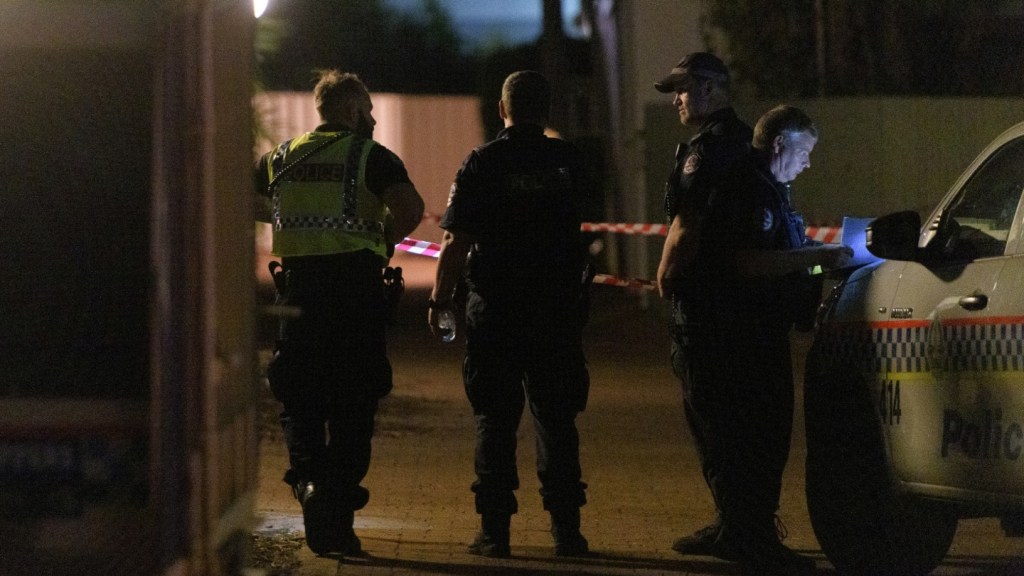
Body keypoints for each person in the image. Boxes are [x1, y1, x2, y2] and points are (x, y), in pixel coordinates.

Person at [665, 104, 853, 575]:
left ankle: (736, 529)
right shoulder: (751, 191)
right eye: (805, 152)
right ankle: (752, 539)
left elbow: (776, 254)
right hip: (734, 339)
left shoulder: (768, 189)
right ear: (780, 145)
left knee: (737, 441)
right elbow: (747, 262)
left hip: (745, 336)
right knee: (752, 440)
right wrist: (816, 256)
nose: (808, 163)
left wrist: (813, 258)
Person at [254, 70, 424, 556]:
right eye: (367, 110)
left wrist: (284, 216)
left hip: (298, 294)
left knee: (300, 396)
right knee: (354, 400)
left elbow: (246, 199)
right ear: (351, 110)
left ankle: (309, 485)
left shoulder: (282, 158)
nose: (371, 118)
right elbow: (410, 209)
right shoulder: (371, 155)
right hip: (354, 295)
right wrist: (383, 237)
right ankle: (340, 511)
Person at [428, 70, 591, 559]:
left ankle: (495, 533)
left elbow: (457, 240)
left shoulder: (483, 163)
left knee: (495, 421)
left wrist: (440, 300)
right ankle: (568, 532)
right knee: (557, 421)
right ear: (547, 111)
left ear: (502, 110)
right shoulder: (569, 161)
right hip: (556, 311)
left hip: (496, 311)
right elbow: (587, 227)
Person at [651, 52, 754, 554]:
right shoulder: (745, 141)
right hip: (741, 305)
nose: (677, 98)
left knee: (713, 417)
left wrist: (665, 275)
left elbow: (686, 225)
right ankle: (741, 521)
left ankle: (734, 526)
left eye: (684, 88)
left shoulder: (706, 151)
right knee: (738, 418)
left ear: (712, 90)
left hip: (709, 307)